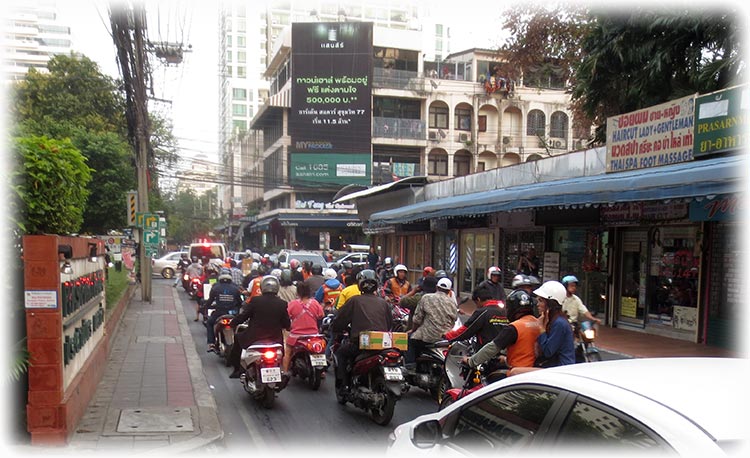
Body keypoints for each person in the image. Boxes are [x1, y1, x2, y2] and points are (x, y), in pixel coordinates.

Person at [463, 279, 543, 380]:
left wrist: (471, 361)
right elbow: (525, 351)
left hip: (517, 375)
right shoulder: (538, 323)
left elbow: (491, 348)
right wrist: (505, 359)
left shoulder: (514, 327)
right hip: (534, 372)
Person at [332, 269, 392, 389]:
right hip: (383, 345)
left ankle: (344, 385)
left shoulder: (354, 300)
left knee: (341, 353)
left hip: (360, 344)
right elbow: (390, 323)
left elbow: (341, 319)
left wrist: (336, 328)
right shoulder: (384, 303)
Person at [228, 276, 291, 379]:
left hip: (255, 337)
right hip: (275, 339)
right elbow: (286, 323)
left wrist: (233, 323)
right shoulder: (282, 303)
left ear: (262, 287)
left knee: (238, 338)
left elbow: (244, 316)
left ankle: (237, 370)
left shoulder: (255, 300)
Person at [406, 278, 457, 367]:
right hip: (445, 338)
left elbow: (417, 319)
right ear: (449, 290)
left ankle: (410, 366)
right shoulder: (452, 302)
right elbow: (454, 320)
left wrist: (413, 330)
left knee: (409, 340)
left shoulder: (426, 298)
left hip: (427, 337)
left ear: (437, 287)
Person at [282, 282, 324, 373]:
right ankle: (322, 372)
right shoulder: (315, 303)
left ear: (298, 292)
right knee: (319, 351)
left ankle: (284, 372)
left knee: (288, 352)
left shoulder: (292, 304)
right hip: (313, 335)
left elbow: (286, 316)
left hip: (296, 336)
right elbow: (321, 315)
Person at [534, 281, 575, 367]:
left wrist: (541, 329)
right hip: (552, 365)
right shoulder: (551, 320)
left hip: (560, 368)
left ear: (550, 304)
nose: (538, 304)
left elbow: (548, 351)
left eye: (541, 301)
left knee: (515, 372)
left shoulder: (559, 323)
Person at [204, 269, 244, 353]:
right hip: (233, 313)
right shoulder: (236, 288)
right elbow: (240, 302)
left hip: (219, 313)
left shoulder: (215, 287)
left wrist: (205, 307)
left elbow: (210, 300)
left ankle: (211, 343)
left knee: (209, 323)